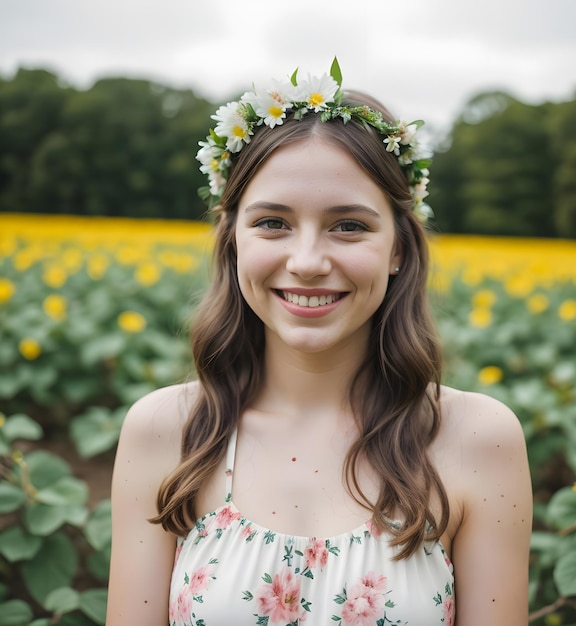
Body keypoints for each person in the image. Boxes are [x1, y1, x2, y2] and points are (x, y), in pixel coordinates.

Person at [105, 59, 532, 626]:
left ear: (399, 248)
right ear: (232, 239)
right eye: (273, 223)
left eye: (349, 225)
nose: (307, 262)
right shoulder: (167, 432)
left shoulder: (479, 439)